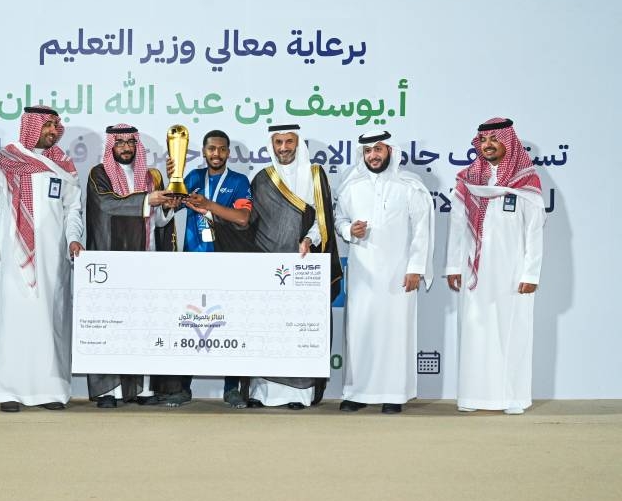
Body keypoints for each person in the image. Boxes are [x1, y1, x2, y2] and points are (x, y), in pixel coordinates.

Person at [0, 106, 84, 412]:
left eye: (55, 125)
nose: (52, 131)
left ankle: (50, 391)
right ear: (31, 126)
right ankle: (8, 391)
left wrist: (74, 238)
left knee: (49, 321)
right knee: (13, 320)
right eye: (46, 125)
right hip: (12, 256)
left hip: (53, 258)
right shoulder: (5, 160)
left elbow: (73, 209)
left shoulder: (63, 164)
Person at [445, 117, 544, 414]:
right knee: (475, 331)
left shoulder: (526, 182)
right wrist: (452, 267)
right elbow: (457, 227)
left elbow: (534, 231)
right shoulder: (468, 180)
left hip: (512, 273)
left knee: (512, 332)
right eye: (483, 140)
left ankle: (513, 398)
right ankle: (472, 397)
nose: (487, 145)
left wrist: (531, 273)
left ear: (508, 142)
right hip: (474, 272)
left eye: (494, 139)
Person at [334, 131, 434, 414]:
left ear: (390, 151)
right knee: (360, 330)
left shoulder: (409, 186)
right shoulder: (351, 186)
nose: (373, 156)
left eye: (378, 149)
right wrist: (348, 230)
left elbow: (422, 230)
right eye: (367, 151)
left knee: (395, 333)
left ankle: (394, 394)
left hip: (399, 274)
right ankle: (357, 393)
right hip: (363, 275)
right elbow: (339, 219)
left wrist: (416, 268)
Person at [246, 123, 342, 410]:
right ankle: (262, 392)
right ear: (271, 145)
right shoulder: (262, 179)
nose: (284, 148)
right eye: (278, 142)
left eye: (289, 142)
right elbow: (250, 224)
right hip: (267, 267)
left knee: (300, 330)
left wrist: (309, 240)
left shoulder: (315, 175)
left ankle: (299, 394)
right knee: (269, 328)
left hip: (302, 267)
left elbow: (322, 219)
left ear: (298, 144)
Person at [85, 123, 179, 407]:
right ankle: (109, 391)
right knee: (111, 325)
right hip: (114, 263)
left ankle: (143, 388)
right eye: (120, 142)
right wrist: (148, 200)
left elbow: (159, 221)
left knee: (144, 324)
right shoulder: (99, 174)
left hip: (146, 260)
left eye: (130, 143)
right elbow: (107, 205)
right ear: (111, 146)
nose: (126, 148)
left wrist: (167, 203)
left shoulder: (151, 176)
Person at [162, 130, 253, 409]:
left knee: (230, 324)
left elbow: (243, 218)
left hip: (228, 262)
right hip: (193, 262)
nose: (216, 154)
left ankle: (232, 388)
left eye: (222, 149)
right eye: (212, 149)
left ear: (228, 153)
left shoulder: (239, 181)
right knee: (189, 324)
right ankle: (182, 388)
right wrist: (172, 185)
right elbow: (168, 210)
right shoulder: (192, 178)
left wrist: (208, 206)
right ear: (203, 151)